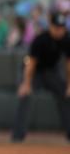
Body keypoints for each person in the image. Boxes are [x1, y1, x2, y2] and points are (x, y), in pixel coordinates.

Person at [11, 11, 70, 142]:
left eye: (62, 28)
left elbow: (68, 63)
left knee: (66, 95)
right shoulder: (41, 39)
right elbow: (30, 64)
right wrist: (26, 83)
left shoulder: (66, 38)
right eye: (56, 27)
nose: (59, 31)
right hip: (34, 72)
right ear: (51, 26)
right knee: (25, 95)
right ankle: (17, 136)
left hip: (51, 72)